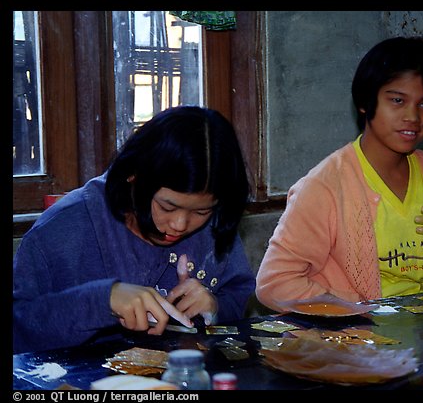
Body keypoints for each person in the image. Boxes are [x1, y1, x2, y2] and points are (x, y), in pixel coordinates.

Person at [13, 106, 256, 353]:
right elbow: (19, 327)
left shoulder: (215, 223)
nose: (180, 224)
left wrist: (215, 306)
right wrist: (101, 301)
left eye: (201, 212)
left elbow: (237, 295)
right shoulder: (64, 229)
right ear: (133, 176)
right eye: (166, 206)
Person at [256, 37, 423, 312]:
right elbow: (274, 284)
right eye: (397, 100)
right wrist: (355, 310)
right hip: (359, 344)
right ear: (365, 102)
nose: (413, 117)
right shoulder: (324, 186)